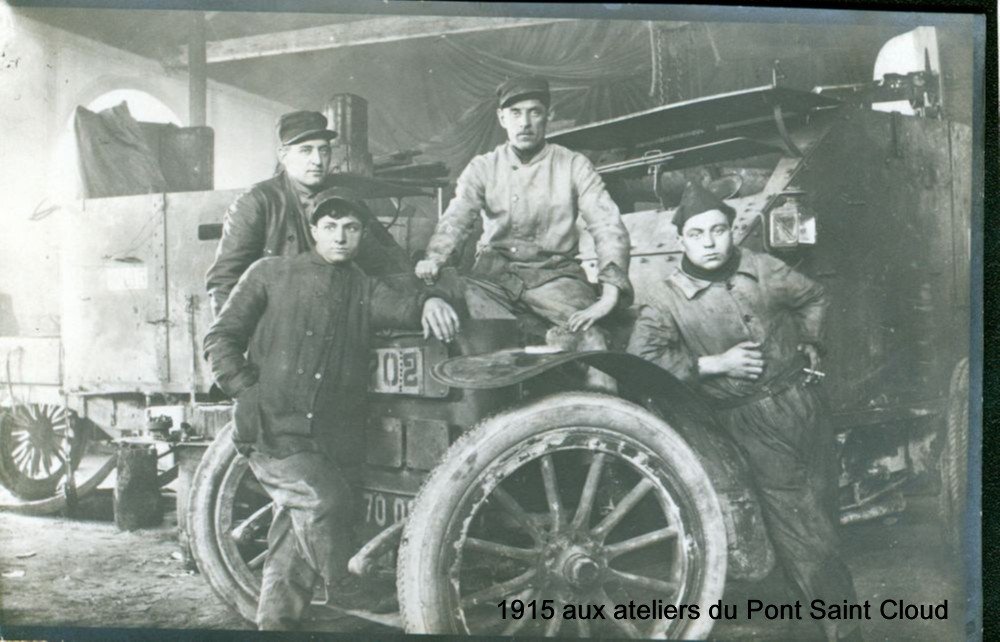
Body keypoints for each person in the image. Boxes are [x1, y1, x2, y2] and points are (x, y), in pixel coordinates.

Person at [204, 189, 459, 630]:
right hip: (272, 430)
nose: (340, 237)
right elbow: (219, 338)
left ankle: (276, 624)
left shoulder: (364, 287)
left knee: (292, 538)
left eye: (351, 228)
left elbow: (402, 305)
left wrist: (429, 300)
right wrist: (248, 391)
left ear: (360, 234)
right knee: (326, 501)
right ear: (314, 231)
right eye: (330, 227)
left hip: (325, 439)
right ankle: (342, 583)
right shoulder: (269, 272)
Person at [626, 182, 859, 641]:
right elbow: (639, 362)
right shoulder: (666, 298)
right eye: (697, 234)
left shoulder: (764, 268)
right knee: (805, 531)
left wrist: (812, 342)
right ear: (682, 240)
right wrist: (713, 364)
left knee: (821, 516)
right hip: (749, 421)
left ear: (733, 231)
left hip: (806, 407)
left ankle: (809, 630)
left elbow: (814, 296)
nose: (710, 242)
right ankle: (841, 632)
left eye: (718, 230)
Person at [414, 75, 632, 351]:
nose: (525, 123)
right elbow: (456, 218)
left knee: (594, 342)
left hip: (555, 278)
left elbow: (607, 225)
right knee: (484, 345)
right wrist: (435, 258)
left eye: (535, 112)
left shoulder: (574, 165)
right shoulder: (483, 167)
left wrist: (611, 291)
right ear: (501, 118)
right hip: (492, 279)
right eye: (515, 113)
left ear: (548, 116)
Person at [206, 110, 410, 316]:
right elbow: (224, 281)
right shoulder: (256, 202)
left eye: (324, 151)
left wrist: (425, 300)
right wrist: (230, 340)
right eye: (306, 151)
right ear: (283, 155)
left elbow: (384, 262)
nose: (318, 161)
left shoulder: (343, 198)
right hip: (279, 323)